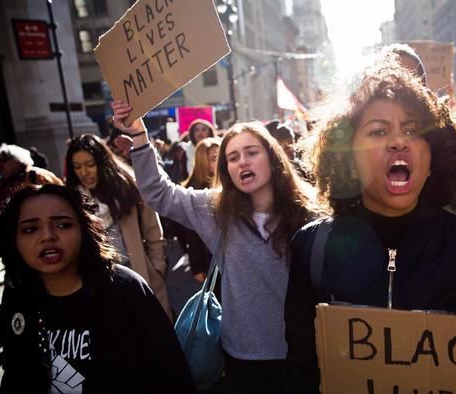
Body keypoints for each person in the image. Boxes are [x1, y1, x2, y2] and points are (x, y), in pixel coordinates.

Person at [283, 57, 456, 394]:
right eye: (379, 131)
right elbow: (301, 370)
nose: (399, 142)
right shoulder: (312, 249)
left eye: (412, 130)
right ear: (348, 157)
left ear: (434, 154)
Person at [111, 100, 321, 394]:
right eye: (232, 157)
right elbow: (158, 192)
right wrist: (139, 137)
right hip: (242, 361)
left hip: (305, 356)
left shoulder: (308, 212)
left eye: (251, 153)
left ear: (272, 158)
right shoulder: (214, 208)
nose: (242, 162)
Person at [0, 184, 195, 393]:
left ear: (84, 228)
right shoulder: (17, 294)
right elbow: (14, 373)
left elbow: (173, 376)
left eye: (62, 225)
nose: (47, 236)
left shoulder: (125, 288)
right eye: (30, 229)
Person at [386, 43, 456, 232]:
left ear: (423, 87)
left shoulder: (455, 139)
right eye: (391, 81)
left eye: (408, 81)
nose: (400, 91)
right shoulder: (362, 138)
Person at [65, 134, 172, 320]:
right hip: (99, 287)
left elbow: (154, 232)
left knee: (154, 338)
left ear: (102, 162)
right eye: (77, 166)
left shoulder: (128, 187)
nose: (84, 172)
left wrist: (157, 268)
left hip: (141, 277)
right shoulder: (71, 200)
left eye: (90, 164)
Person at [181, 137, 220, 282]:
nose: (220, 161)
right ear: (203, 162)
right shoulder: (196, 192)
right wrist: (197, 266)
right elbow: (192, 234)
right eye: (214, 158)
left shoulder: (229, 182)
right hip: (210, 259)